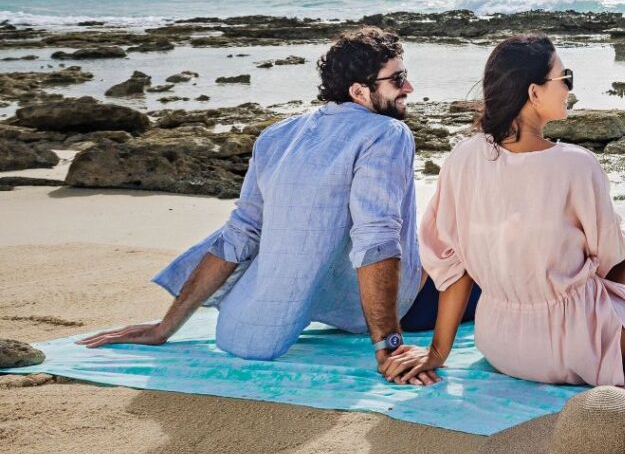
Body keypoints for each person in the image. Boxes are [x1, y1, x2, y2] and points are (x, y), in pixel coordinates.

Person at [80, 26, 478, 387]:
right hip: (400, 306)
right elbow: (376, 240)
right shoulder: (385, 132)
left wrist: (165, 327)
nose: (408, 87)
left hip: (324, 301)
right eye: (397, 79)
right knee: (490, 265)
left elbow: (239, 234)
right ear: (359, 91)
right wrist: (389, 346)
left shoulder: (277, 135)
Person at [379, 33, 625, 390]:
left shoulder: (462, 159)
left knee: (586, 264)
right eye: (565, 79)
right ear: (534, 92)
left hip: (501, 346)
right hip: (580, 354)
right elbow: (608, 254)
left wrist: (438, 352)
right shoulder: (576, 164)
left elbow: (453, 266)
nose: (569, 88)